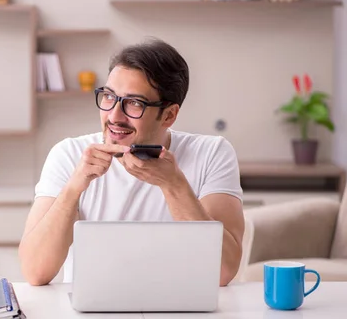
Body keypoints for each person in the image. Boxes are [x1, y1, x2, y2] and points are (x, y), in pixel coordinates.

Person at [18, 37, 245, 287]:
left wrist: (174, 186)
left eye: (134, 103)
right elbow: (35, 272)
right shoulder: (69, 154)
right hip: (91, 317)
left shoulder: (212, 153)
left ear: (169, 115)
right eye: (108, 97)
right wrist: (74, 189)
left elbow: (223, 272)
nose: (114, 116)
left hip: (182, 316)